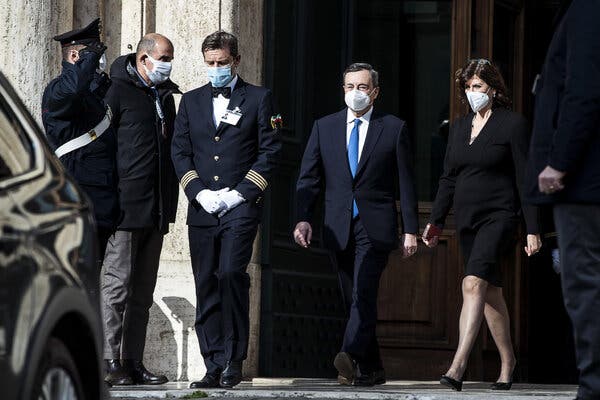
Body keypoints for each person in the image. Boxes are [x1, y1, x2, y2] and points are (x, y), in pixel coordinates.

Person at [294, 63, 419, 387]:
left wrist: (410, 229)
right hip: (337, 225)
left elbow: (406, 183)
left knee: (363, 290)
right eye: (350, 87)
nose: (355, 93)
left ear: (375, 92)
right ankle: (373, 368)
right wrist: (303, 217)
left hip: (375, 226)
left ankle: (348, 354)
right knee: (353, 298)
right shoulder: (324, 127)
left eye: (362, 87)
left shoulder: (393, 128)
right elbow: (309, 179)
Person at [423, 59, 541, 391]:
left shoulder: (512, 124)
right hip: (467, 221)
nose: (472, 92)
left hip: (499, 217)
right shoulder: (459, 127)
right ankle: (508, 361)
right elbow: (448, 178)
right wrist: (435, 221)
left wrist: (532, 228)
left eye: (478, 86)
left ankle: (457, 366)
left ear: (493, 88)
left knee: (473, 283)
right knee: (490, 292)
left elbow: (525, 179)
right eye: (468, 87)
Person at [171, 30, 281, 389]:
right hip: (202, 208)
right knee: (206, 281)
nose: (216, 69)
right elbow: (180, 151)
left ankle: (234, 360)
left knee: (231, 274)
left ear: (236, 61)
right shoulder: (191, 101)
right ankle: (212, 363)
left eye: (222, 62)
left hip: (240, 207)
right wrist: (198, 192)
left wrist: (239, 194)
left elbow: (270, 151)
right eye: (210, 63)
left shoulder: (259, 98)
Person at [526, 1, 600, 398]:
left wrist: (559, 161)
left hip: (585, 180)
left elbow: (583, 90)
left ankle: (594, 387)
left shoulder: (588, 8)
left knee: (584, 284)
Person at [100, 33, 180, 386]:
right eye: (164, 57)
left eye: (170, 58)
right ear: (144, 58)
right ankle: (109, 360)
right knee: (117, 287)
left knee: (142, 293)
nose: (168, 64)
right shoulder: (116, 91)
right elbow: (102, 149)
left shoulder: (164, 96)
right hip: (125, 209)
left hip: (156, 209)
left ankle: (132, 361)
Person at [42, 18, 118, 266]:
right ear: (75, 55)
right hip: (77, 201)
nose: (100, 60)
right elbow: (74, 88)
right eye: (95, 54)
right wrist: (89, 58)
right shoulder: (58, 91)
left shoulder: (95, 93)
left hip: (103, 203)